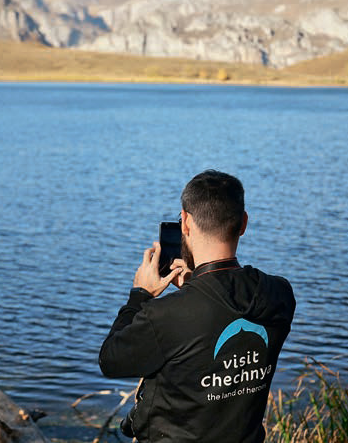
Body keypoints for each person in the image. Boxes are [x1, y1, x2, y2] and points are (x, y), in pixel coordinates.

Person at [99, 170, 295, 443]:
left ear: (186, 223)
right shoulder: (279, 294)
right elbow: (221, 312)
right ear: (243, 223)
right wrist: (198, 286)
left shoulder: (167, 314)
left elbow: (110, 360)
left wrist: (140, 296)